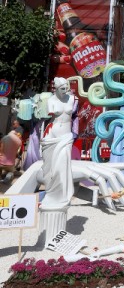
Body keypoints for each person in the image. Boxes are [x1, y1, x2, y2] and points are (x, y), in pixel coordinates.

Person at [41, 77, 75, 212]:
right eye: (62, 88)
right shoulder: (51, 100)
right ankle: (52, 193)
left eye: (66, 88)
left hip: (66, 135)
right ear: (56, 88)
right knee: (51, 166)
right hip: (53, 134)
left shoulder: (71, 98)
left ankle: (62, 194)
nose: (65, 90)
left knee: (63, 163)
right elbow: (49, 116)